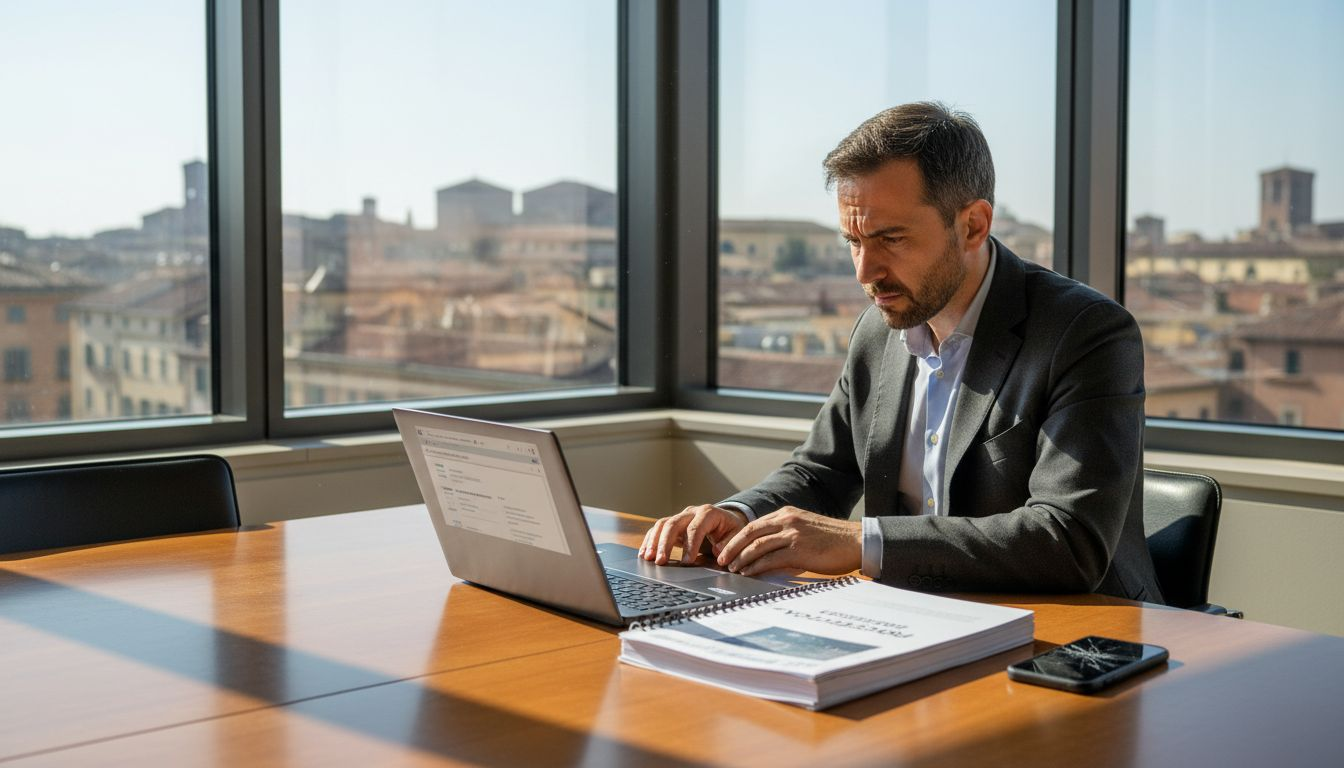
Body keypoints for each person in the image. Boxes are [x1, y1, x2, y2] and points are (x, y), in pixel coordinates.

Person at [639, 101, 1162, 602]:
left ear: (973, 225)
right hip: (913, 619)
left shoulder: (1086, 332)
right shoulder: (878, 329)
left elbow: (1067, 540)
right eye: (854, 241)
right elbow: (821, 472)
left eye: (891, 239)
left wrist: (860, 542)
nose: (865, 272)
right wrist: (741, 514)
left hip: (1077, 637)